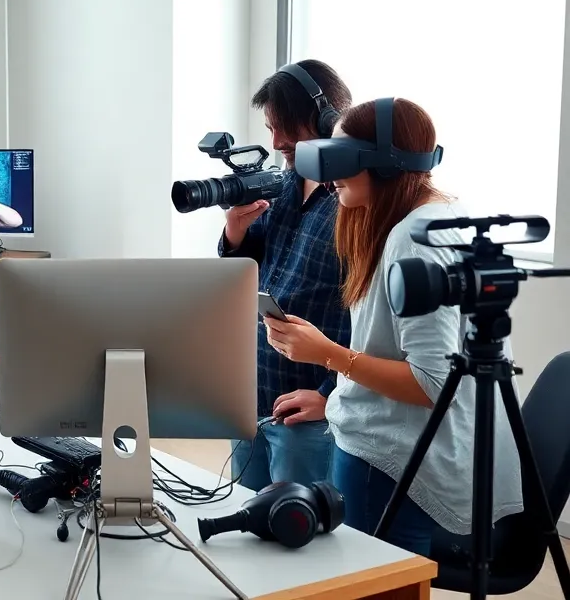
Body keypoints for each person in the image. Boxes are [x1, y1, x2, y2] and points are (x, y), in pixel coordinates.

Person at [265, 98, 523, 556]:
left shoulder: (413, 240)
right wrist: (332, 385)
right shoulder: (430, 216)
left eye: (341, 159)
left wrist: (326, 353)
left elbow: (431, 383)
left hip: (392, 463)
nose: (328, 176)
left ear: (384, 165)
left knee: (374, 584)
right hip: (392, 449)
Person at [219, 60, 354, 492]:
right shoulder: (282, 183)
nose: (277, 142)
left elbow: (370, 320)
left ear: (327, 119)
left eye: (286, 128)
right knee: (247, 526)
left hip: (307, 410)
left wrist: (330, 396)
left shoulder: (355, 199)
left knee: (299, 542)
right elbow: (244, 273)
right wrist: (234, 233)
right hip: (254, 393)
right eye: (270, 128)